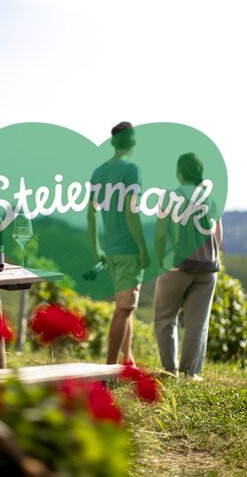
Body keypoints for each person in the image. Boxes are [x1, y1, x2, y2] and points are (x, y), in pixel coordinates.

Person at [153, 153, 223, 381]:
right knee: (197, 323)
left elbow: (161, 235)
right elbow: (218, 236)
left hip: (176, 267)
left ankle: (169, 370)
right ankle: (190, 373)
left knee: (165, 318)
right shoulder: (210, 198)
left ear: (179, 172)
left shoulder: (169, 197)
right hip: (207, 267)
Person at [88, 122, 150, 366]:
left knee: (126, 306)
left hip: (110, 250)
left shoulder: (98, 172)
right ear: (133, 142)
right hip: (128, 250)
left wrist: (96, 249)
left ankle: (128, 360)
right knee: (123, 309)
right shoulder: (132, 170)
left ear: (113, 142)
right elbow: (131, 212)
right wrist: (143, 249)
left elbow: (91, 214)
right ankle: (111, 368)